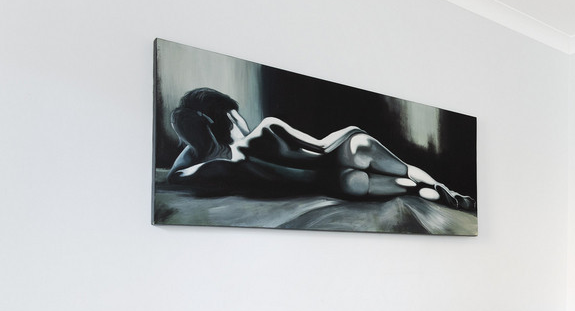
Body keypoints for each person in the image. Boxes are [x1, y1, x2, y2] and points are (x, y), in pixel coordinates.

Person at [166, 88, 476, 210]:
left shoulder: (226, 167)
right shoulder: (268, 128)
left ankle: (424, 191)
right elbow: (321, 145)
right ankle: (447, 191)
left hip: (339, 184)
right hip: (347, 152)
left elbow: (175, 176)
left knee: (410, 188)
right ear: (232, 115)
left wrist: (201, 142)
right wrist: (347, 134)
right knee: (407, 171)